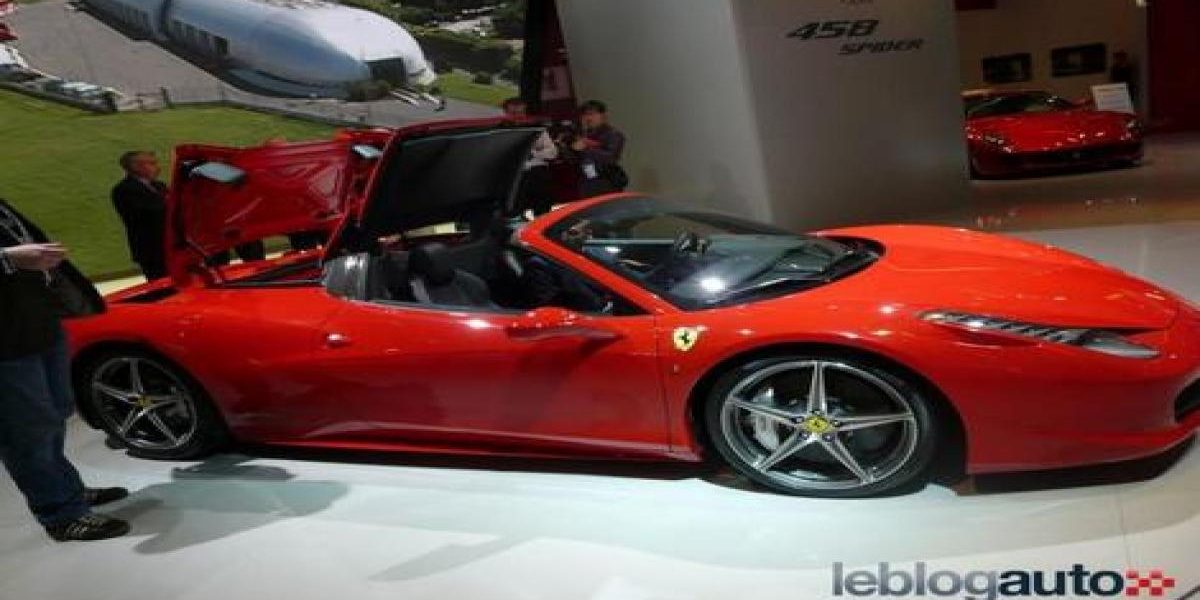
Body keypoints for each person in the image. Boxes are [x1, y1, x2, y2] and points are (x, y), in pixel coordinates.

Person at [0, 197, 131, 542]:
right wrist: (7, 258)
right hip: (6, 342)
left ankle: (66, 489)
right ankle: (60, 514)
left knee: (55, 413)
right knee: (26, 430)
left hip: (37, 321)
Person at [111, 151, 169, 280]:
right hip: (151, 250)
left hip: (170, 246)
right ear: (135, 167)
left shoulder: (159, 186)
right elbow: (152, 212)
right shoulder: (124, 190)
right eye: (152, 164)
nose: (158, 167)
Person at [502, 97, 559, 215]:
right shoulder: (501, 132)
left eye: (521, 112)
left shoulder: (537, 129)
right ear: (506, 113)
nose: (518, 116)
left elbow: (553, 152)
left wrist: (533, 153)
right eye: (513, 113)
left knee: (542, 196)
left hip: (537, 172)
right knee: (513, 207)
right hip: (514, 175)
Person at [567, 100, 628, 199]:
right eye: (585, 115)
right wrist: (572, 149)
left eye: (592, 114)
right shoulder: (582, 134)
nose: (588, 118)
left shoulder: (613, 134)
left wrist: (586, 148)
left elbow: (611, 157)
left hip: (606, 180)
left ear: (603, 115)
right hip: (586, 183)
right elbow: (572, 159)